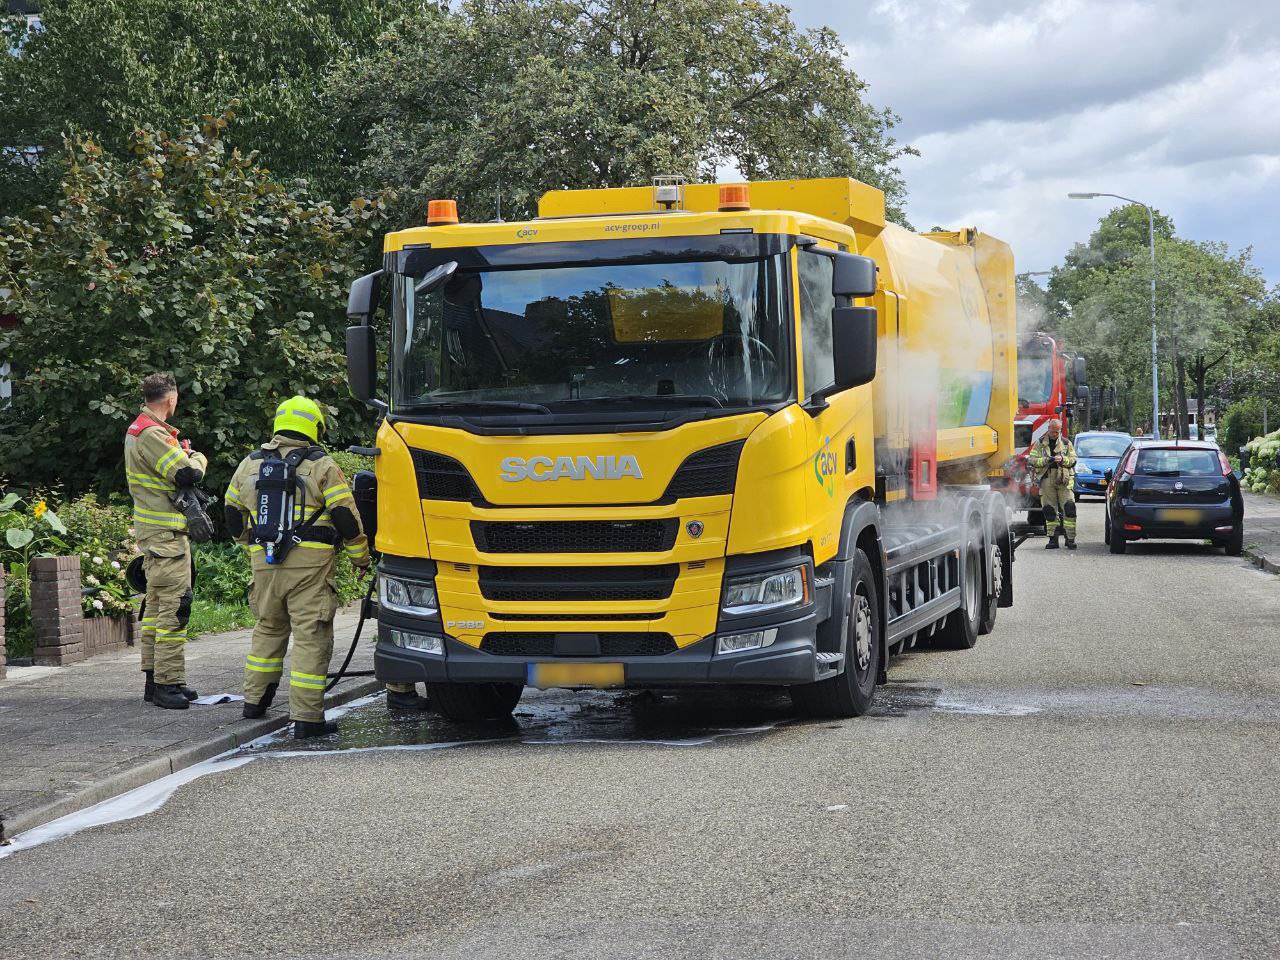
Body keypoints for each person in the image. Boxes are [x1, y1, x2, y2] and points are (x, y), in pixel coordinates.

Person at [224, 396, 373, 738]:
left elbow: (232, 513)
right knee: (311, 637)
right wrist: (360, 557)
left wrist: (251, 545)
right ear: (314, 427)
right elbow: (345, 517)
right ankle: (307, 719)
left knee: (268, 628)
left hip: (264, 563)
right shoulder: (321, 465)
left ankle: (254, 702)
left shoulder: (250, 464)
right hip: (310, 569)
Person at [124, 373, 208, 709]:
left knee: (156, 610)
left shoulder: (141, 430)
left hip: (157, 536)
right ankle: (167, 684)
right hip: (167, 538)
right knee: (175, 609)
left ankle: (155, 680)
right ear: (171, 399)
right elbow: (188, 474)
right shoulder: (153, 434)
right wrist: (197, 456)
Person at [1027, 419, 1077, 550]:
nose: (1054, 434)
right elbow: (1032, 460)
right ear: (1048, 429)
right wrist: (1046, 460)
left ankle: (1070, 539)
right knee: (1049, 510)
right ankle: (1053, 539)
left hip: (1064, 478)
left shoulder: (1066, 443)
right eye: (1052, 431)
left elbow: (1073, 460)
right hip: (1047, 478)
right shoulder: (1040, 443)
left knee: (1069, 508)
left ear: (1060, 430)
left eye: (1057, 432)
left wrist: (1063, 459)